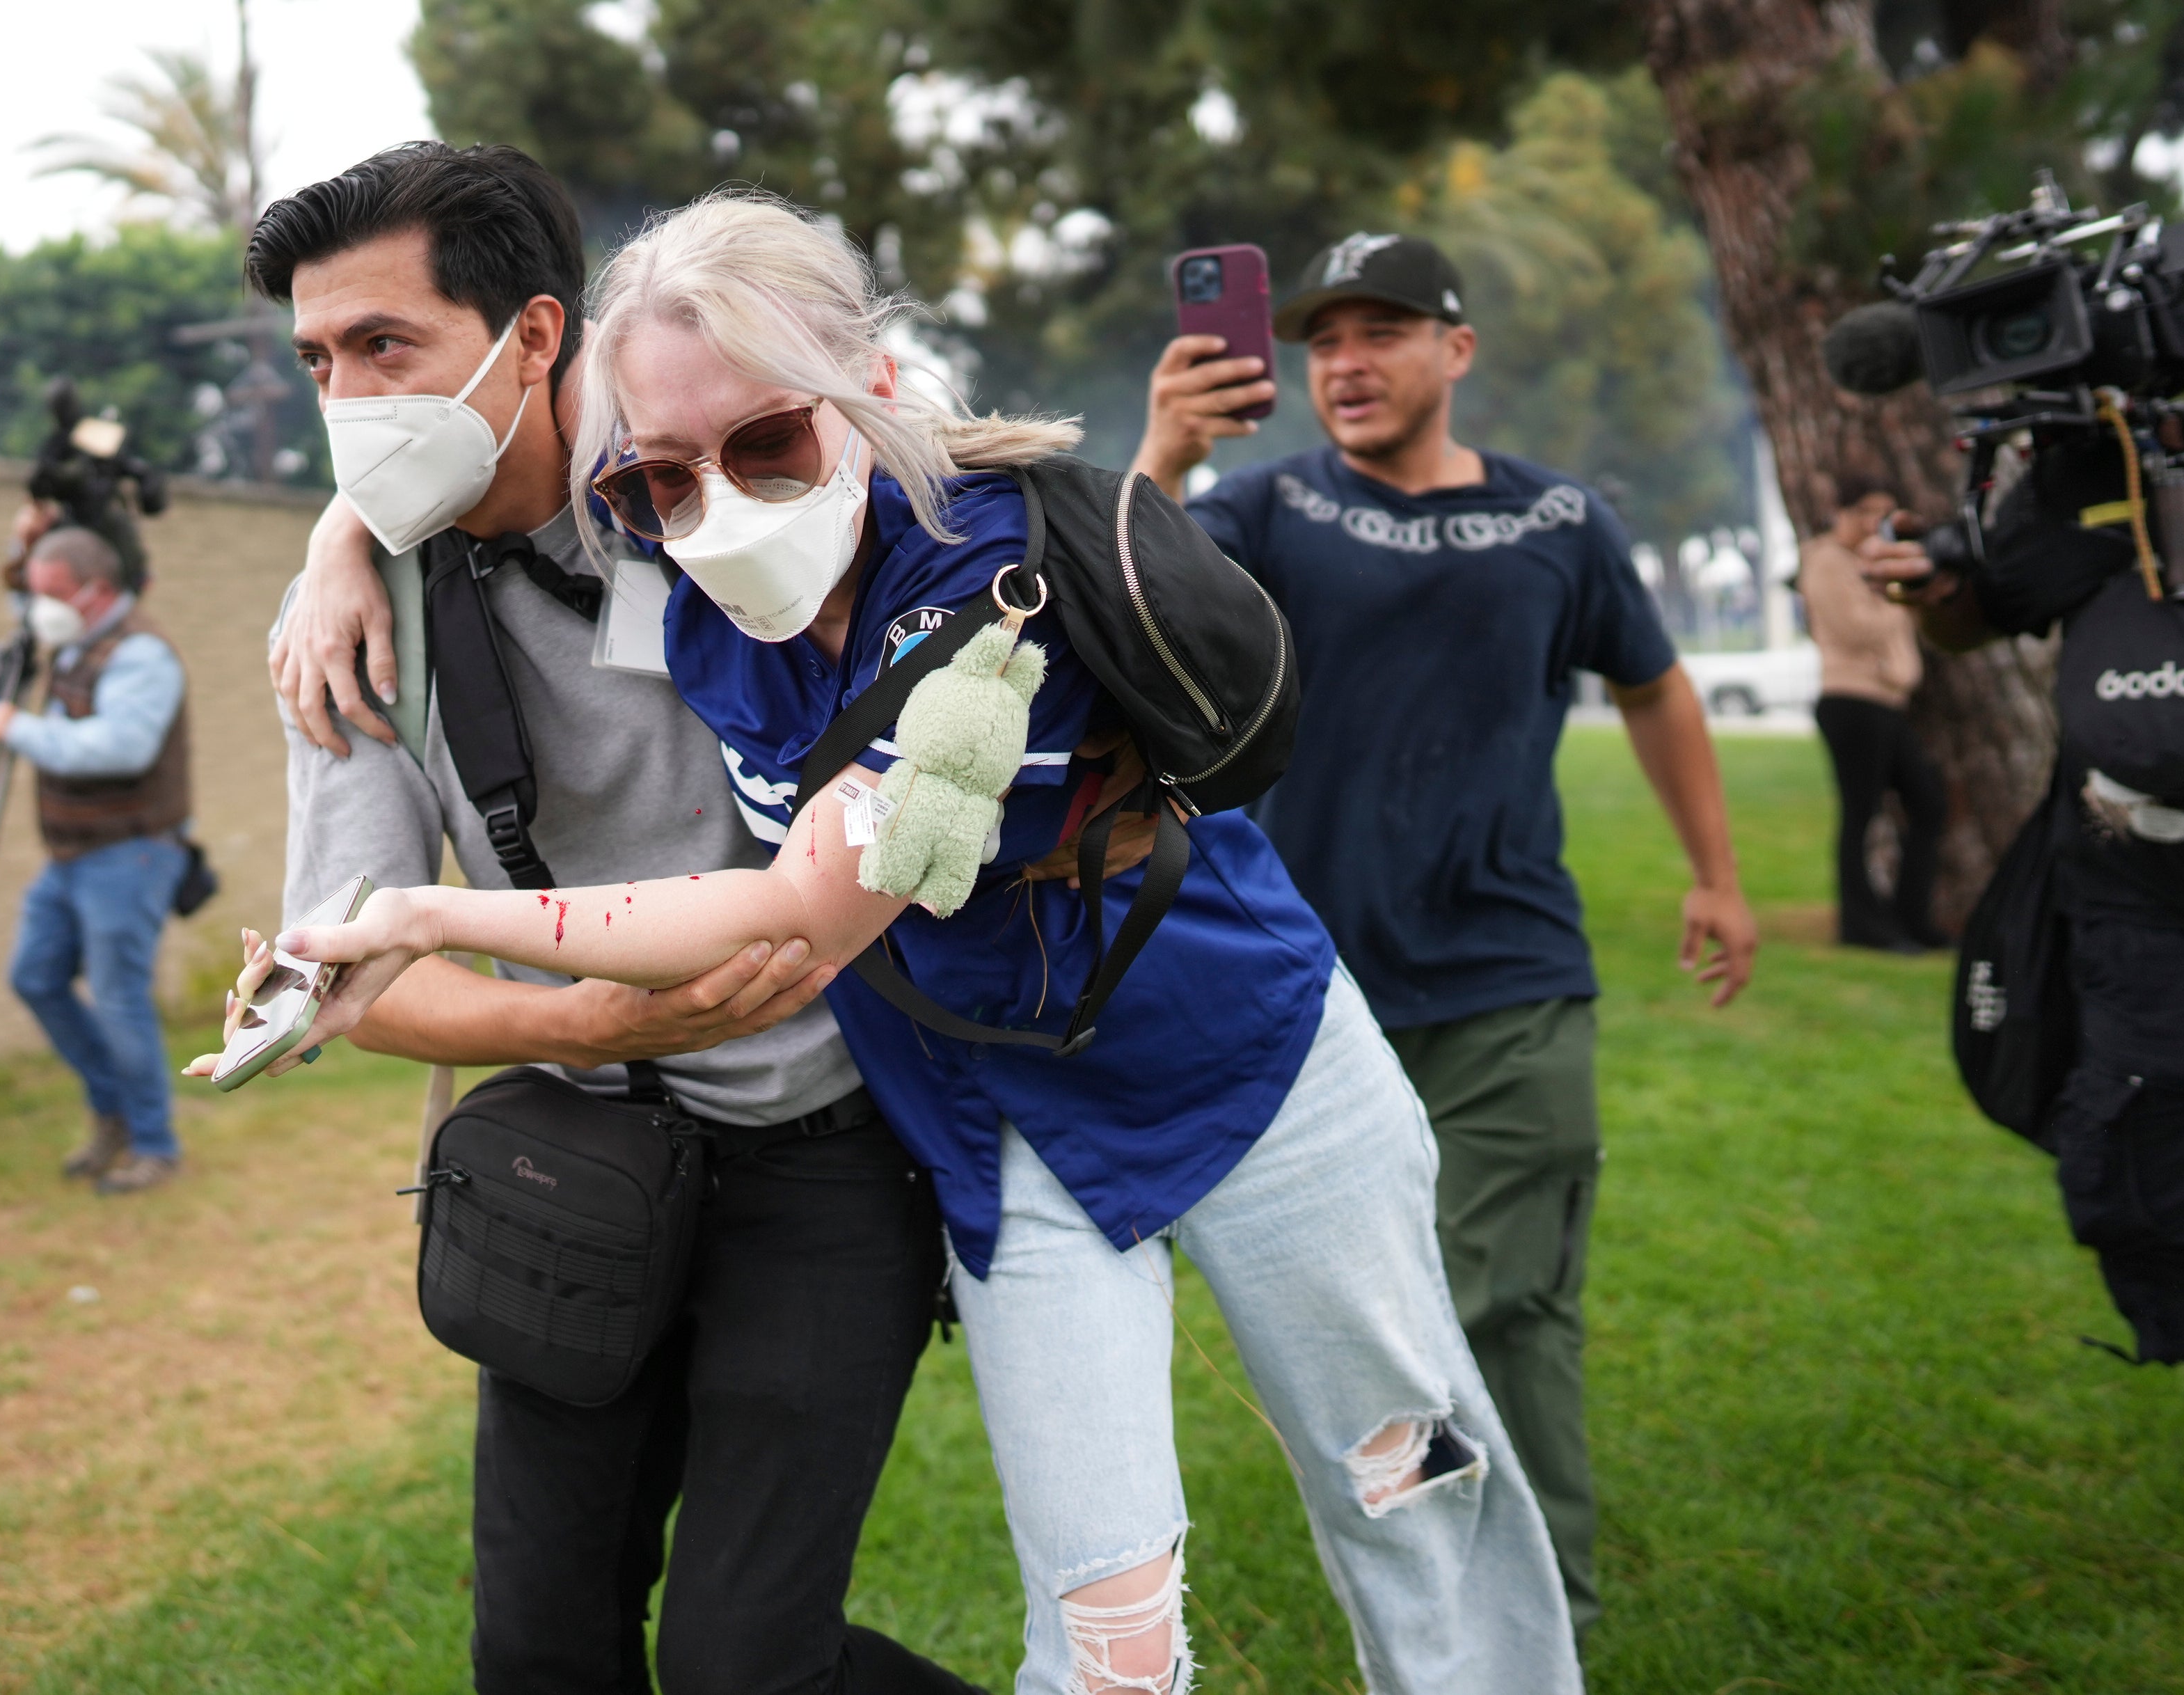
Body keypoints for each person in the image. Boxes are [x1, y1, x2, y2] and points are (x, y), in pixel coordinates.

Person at [232, 189, 1583, 1695]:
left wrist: (423, 912)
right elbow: (511, 445)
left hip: (1245, 1063)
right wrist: (345, 527)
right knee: (1107, 1621)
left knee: (1405, 1478)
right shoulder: (684, 582)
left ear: (868, 389)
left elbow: (800, 904)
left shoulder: (983, 575)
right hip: (988, 1128)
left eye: (765, 445)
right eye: (658, 483)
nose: (719, 502)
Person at [243, 142, 989, 1695]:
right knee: (536, 1648)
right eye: (318, 360)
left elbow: (933, 494)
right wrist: (583, 1021)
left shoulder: (709, 480)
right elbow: (356, 978)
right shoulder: (357, 614)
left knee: (744, 1661)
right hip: (572, 1158)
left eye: (386, 346)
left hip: (824, 1155)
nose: (349, 403)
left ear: (533, 336)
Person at [1130, 230, 1759, 1632]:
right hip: (1314, 997)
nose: (1343, 364)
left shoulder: (1558, 520)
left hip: (1506, 976)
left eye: (1382, 331)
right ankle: (1439, 1587)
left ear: (1453, 350)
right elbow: (1120, 590)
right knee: (1374, 1323)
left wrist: (1714, 871)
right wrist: (1163, 450)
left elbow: (1653, 687)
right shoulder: (1268, 507)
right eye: (1322, 340)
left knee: (1504, 1298)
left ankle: (1545, 1607)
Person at [1858, 431, 2184, 1378]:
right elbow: (1983, 613)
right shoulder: (2100, 456)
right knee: (2166, 1170)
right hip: (2135, 903)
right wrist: (1935, 585)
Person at [0, 523, 192, 1195]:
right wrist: (29, 533)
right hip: (72, 855)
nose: (35, 605)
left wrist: (15, 727)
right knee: (35, 975)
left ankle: (153, 1143)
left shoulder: (141, 655)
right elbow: (23, 587)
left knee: (119, 998)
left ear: (98, 592)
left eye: (51, 593)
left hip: (128, 853)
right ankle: (115, 1111)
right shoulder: (74, 641)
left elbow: (118, 747)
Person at [1797, 480, 1947, 950]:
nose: (1872, 523)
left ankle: (1910, 917)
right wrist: (1900, 598)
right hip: (1851, 700)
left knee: (1926, 803)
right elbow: (1856, 626)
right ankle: (1861, 925)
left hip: (1887, 700)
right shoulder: (1826, 561)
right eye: (1864, 511)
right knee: (1860, 816)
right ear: (1840, 511)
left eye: (1882, 512)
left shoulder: (1876, 562)